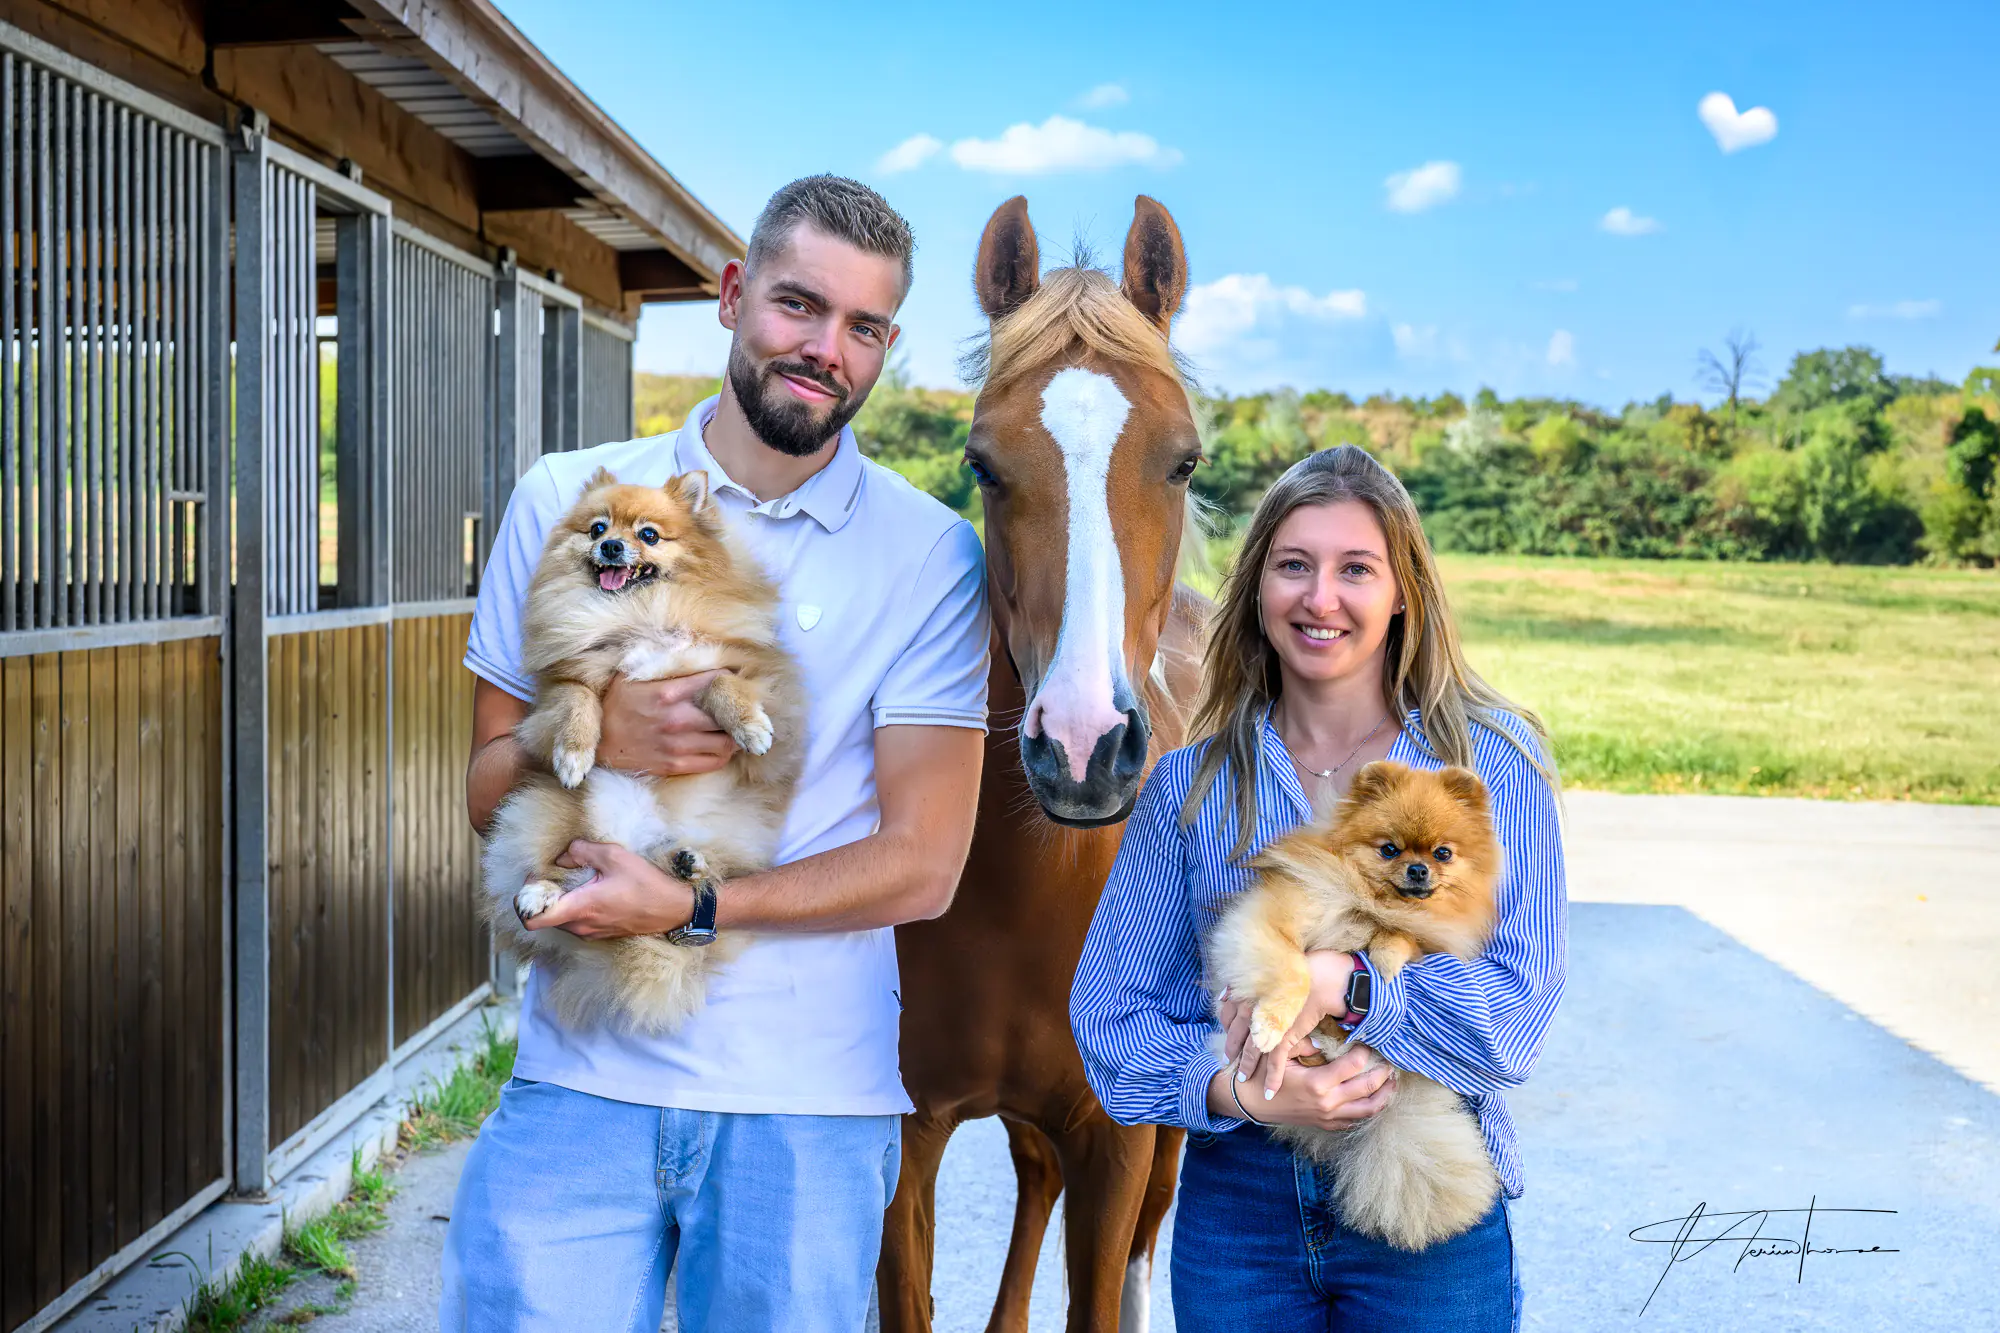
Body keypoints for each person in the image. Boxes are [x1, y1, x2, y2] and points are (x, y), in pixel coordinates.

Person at [440, 175, 991, 1332]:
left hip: (808, 1106)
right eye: (799, 306)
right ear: (734, 297)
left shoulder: (930, 554)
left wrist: (686, 909)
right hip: (579, 1082)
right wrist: (595, 737)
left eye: (864, 328)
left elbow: (923, 861)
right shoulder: (569, 498)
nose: (824, 348)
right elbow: (484, 788)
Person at [1070, 444, 1566, 1333]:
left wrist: (1351, 985)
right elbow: (1109, 1018)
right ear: (1258, 588)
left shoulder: (1492, 765)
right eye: (1293, 565)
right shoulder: (1190, 787)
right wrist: (1239, 1090)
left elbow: (1512, 1020)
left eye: (1355, 569)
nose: (1320, 596)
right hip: (1242, 1208)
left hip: (1427, 1178)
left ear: (1404, 590)